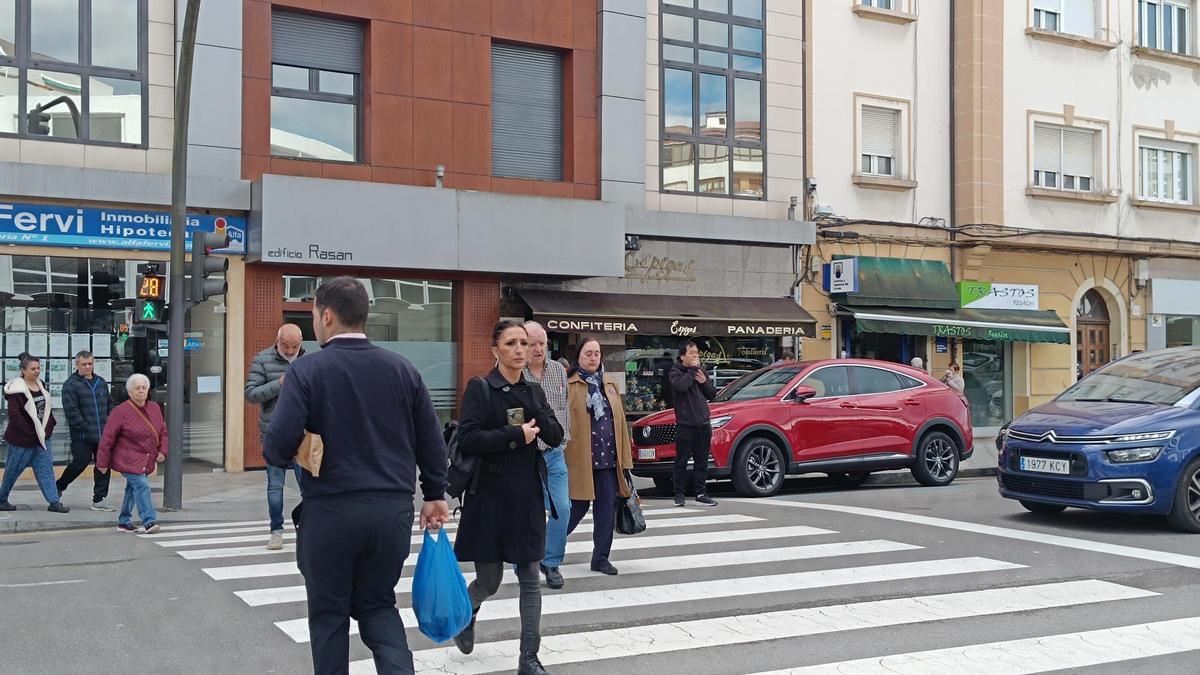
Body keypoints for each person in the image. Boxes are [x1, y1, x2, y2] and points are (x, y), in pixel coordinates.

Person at [263, 276, 450, 675]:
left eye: (314, 313)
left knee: (329, 617)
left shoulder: (308, 371)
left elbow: (277, 446)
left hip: (330, 511)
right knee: (378, 605)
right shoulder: (403, 370)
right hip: (391, 512)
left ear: (327, 315)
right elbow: (431, 439)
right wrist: (435, 493)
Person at [452, 320, 563, 675]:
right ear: (495, 350)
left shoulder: (533, 391)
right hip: (489, 498)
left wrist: (540, 410)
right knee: (490, 580)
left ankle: (529, 658)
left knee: (530, 575)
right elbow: (468, 440)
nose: (521, 349)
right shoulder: (481, 388)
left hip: (526, 495)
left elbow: (556, 436)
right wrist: (514, 435)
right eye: (512, 343)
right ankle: (467, 613)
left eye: (524, 343)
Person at [564, 336, 634, 576]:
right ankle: (546, 549)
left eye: (596, 353)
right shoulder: (569, 384)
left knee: (606, 509)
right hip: (580, 459)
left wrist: (625, 459)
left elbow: (620, 422)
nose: (593, 358)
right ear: (579, 357)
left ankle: (601, 558)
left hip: (607, 459)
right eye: (588, 354)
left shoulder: (609, 384)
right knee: (575, 509)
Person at [245, 323, 305, 550]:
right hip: (274, 432)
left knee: (309, 487)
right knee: (275, 486)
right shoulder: (262, 360)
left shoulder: (307, 360)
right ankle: (276, 531)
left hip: (304, 433)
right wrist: (279, 384)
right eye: (286, 346)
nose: (290, 351)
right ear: (277, 340)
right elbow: (251, 394)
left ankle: (306, 525)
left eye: (295, 346)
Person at [522, 321, 572, 590]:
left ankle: (551, 562)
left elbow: (565, 409)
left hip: (553, 454)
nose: (539, 349)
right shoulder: (514, 374)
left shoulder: (557, 371)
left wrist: (564, 441)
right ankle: (525, 560)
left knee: (562, 508)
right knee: (525, 512)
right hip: (525, 455)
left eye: (543, 343)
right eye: (533, 343)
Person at [96, 373, 166, 533]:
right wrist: (102, 463)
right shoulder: (120, 412)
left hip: (146, 458)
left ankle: (124, 521)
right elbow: (107, 438)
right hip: (126, 459)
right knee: (142, 486)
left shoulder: (155, 408)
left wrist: (162, 450)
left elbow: (163, 432)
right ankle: (149, 520)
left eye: (144, 388)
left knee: (132, 489)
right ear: (130, 392)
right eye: (137, 388)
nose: (141, 391)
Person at [0, 354, 68, 513]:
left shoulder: (41, 384)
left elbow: (47, 409)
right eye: (33, 369)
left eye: (38, 368)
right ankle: (2, 499)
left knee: (46, 470)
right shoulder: (16, 389)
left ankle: (54, 502)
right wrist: (31, 432)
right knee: (12, 471)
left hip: (43, 438)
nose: (37, 371)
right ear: (23, 370)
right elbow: (15, 414)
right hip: (22, 439)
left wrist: (50, 426)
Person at [56, 350, 115, 511]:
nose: (88, 367)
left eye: (90, 363)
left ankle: (99, 499)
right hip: (82, 435)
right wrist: (84, 427)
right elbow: (71, 410)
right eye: (84, 364)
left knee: (103, 465)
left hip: (103, 434)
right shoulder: (71, 384)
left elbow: (110, 405)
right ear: (77, 365)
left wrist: (110, 425)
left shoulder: (101, 382)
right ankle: (58, 487)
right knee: (79, 464)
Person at [669, 340, 718, 508]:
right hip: (685, 423)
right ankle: (679, 494)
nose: (695, 355)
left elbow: (712, 394)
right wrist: (691, 371)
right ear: (683, 356)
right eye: (692, 353)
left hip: (703, 423)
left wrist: (704, 381)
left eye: (697, 352)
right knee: (681, 461)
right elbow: (681, 387)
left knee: (702, 461)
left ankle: (701, 492)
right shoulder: (675, 371)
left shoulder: (700, 370)